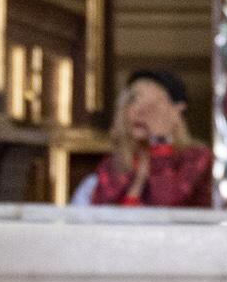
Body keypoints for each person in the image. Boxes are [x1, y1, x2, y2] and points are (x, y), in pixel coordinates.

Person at [71, 67, 212, 208]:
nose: (141, 111)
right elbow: (99, 213)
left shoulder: (195, 158)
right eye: (134, 100)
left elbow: (166, 208)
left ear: (177, 114)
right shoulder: (112, 165)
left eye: (154, 104)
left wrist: (160, 142)